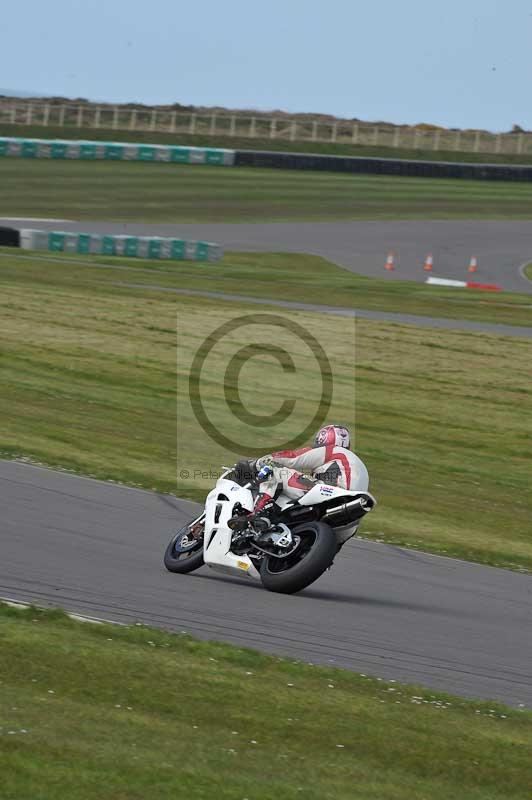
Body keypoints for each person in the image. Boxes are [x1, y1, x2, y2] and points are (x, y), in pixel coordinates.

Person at [231, 424, 369, 530]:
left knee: (276, 470)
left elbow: (292, 458)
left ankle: (256, 513)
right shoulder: (357, 464)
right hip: (350, 518)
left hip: (328, 492)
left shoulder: (333, 451)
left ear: (323, 440)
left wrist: (257, 463)